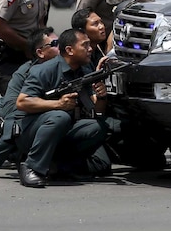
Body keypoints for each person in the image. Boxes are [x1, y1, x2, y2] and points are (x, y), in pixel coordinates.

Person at [13, 28, 111, 188]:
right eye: (85, 45)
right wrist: (58, 104)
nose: (90, 49)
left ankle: (59, 167)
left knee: (97, 126)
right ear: (69, 50)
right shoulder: (44, 70)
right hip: (29, 131)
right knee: (60, 116)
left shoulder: (83, 70)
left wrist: (101, 96)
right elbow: (22, 102)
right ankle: (31, 166)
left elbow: (96, 110)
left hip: (60, 130)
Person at [0, 28, 60, 180]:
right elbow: (10, 107)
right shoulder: (26, 72)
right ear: (40, 53)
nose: (60, 47)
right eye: (55, 44)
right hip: (11, 116)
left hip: (38, 113)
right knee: (18, 125)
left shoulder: (61, 67)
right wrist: (44, 106)